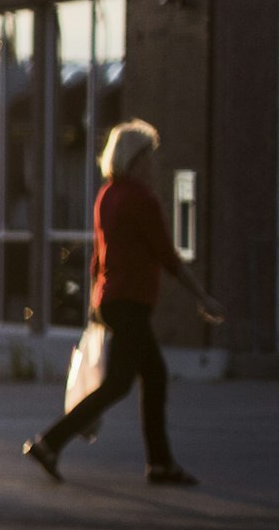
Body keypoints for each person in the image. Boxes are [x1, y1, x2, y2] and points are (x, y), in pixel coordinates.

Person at [27, 119, 220, 487]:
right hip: (129, 301)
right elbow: (167, 255)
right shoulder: (140, 198)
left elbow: (98, 259)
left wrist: (95, 306)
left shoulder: (107, 196)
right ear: (134, 158)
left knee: (142, 377)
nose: (153, 164)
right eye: (149, 156)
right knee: (126, 382)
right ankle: (52, 443)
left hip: (111, 299)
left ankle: (154, 462)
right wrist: (203, 297)